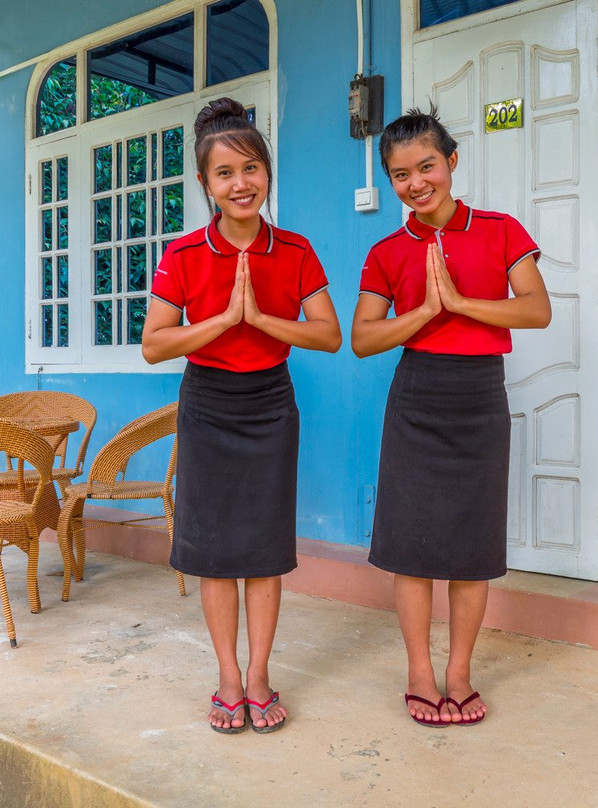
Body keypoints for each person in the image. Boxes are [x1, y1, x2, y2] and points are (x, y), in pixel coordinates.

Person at [142, 97, 341, 734]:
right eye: (225, 173)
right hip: (207, 404)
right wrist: (223, 321)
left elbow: (329, 335)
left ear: (267, 173)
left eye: (251, 168)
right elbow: (154, 345)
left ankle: (259, 677)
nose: (240, 183)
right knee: (214, 549)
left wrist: (260, 319)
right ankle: (228, 677)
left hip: (270, 404)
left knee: (262, 547)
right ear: (205, 183)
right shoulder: (183, 255)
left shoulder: (296, 250)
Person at [352, 107, 551, 727]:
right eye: (400, 174)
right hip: (416, 396)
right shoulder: (387, 250)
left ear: (452, 163)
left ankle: (459, 673)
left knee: (470, 544)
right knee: (411, 547)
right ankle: (419, 672)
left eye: (426, 166)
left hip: (478, 398)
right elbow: (363, 338)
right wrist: (427, 313)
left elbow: (537, 310)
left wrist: (461, 301)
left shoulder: (500, 230)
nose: (415, 183)